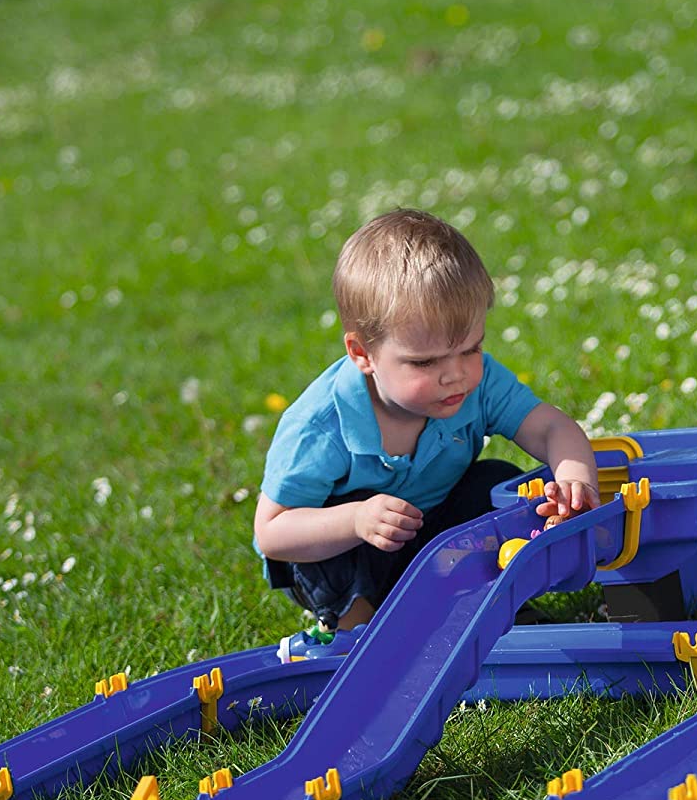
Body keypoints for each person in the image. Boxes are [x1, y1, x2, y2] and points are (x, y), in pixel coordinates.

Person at [254, 208, 598, 632]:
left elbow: (551, 427)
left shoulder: (479, 384)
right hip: (353, 552)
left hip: (433, 536)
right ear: (363, 354)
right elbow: (272, 533)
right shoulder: (323, 424)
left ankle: (494, 603)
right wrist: (356, 521)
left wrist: (576, 481)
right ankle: (359, 631)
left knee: (495, 482)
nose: (455, 374)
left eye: (471, 349)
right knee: (334, 532)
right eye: (424, 362)